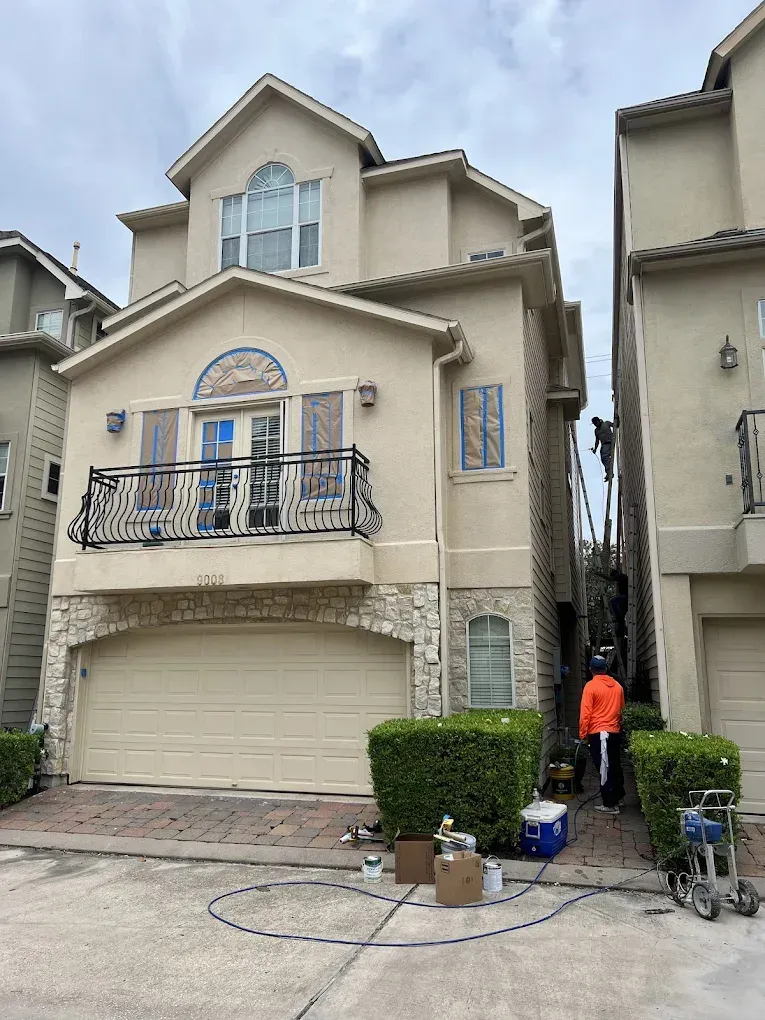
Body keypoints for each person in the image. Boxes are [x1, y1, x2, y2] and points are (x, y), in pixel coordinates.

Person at [579, 656, 625, 814]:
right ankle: (619, 797)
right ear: (606, 669)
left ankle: (610, 804)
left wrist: (583, 734)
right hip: (614, 732)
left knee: (604, 769)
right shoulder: (618, 686)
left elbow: (586, 714)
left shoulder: (590, 687)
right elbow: (622, 710)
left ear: (591, 670)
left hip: (599, 734)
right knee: (615, 765)